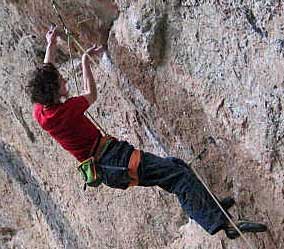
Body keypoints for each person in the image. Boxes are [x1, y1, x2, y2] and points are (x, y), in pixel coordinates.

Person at [26, 27, 267, 240]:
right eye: (61, 80)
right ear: (54, 92)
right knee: (177, 177)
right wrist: (86, 64)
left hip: (111, 162)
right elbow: (91, 94)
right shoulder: (65, 112)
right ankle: (224, 224)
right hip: (114, 161)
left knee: (176, 166)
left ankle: (209, 207)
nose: (65, 79)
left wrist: (50, 45)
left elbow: (47, 74)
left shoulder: (42, 113)